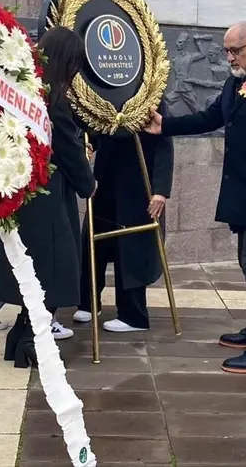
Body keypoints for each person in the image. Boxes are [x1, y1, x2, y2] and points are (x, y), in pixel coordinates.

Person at [144, 21, 246, 374]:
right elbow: (212, 116)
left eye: (236, 50)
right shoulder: (238, 82)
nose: (230, 57)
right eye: (227, 51)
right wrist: (165, 125)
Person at [0, 26, 95, 368]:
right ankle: (30, 342)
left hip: (18, 195)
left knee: (33, 275)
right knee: (52, 277)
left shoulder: (21, 91)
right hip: (48, 202)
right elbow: (69, 151)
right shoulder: (54, 102)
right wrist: (89, 184)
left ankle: (19, 339)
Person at [75, 100, 174, 332]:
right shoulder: (107, 95)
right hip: (106, 179)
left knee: (132, 249)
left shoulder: (152, 96)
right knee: (93, 242)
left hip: (138, 184)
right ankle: (88, 302)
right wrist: (88, 143)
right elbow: (98, 128)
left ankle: (133, 315)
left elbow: (164, 145)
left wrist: (161, 190)